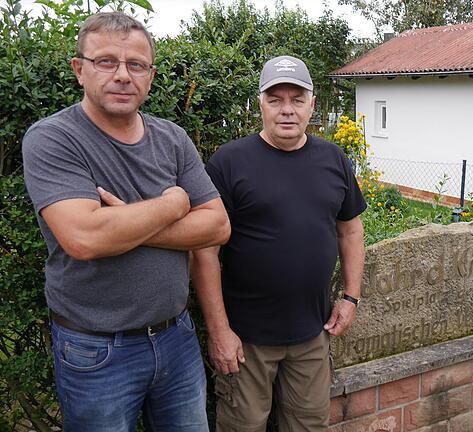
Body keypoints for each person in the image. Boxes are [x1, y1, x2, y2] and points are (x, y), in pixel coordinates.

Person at [22, 12, 230, 431]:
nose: (122, 75)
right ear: (79, 70)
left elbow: (217, 226)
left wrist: (123, 222)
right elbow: (84, 237)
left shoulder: (171, 138)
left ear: (150, 76)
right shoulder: (53, 138)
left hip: (176, 338)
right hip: (95, 350)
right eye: (106, 62)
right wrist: (173, 204)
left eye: (135, 65)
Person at [191, 55, 367, 431]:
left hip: (313, 335)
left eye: (297, 99)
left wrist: (350, 297)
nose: (287, 110)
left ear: (312, 104)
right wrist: (219, 331)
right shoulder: (229, 162)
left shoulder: (334, 159)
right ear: (260, 103)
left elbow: (350, 229)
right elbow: (203, 251)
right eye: (275, 99)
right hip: (246, 341)